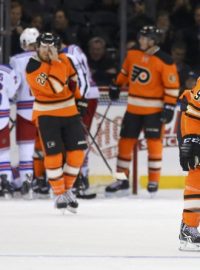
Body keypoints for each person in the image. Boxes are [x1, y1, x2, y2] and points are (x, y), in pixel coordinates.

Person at [105, 25, 180, 195]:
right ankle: (121, 180)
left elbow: (172, 87)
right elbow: (125, 73)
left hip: (154, 111)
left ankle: (153, 182)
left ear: (153, 40)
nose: (141, 40)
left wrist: (169, 106)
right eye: (141, 37)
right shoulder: (132, 54)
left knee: (154, 145)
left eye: (145, 38)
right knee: (124, 143)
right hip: (133, 109)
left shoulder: (165, 60)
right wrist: (116, 85)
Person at [25, 32, 87, 212]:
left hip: (69, 112)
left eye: (51, 47)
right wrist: (57, 63)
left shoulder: (64, 60)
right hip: (46, 114)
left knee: (77, 154)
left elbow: (73, 81)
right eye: (44, 46)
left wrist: (79, 99)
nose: (47, 50)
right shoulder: (33, 67)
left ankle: (66, 190)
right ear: (37, 47)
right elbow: (56, 87)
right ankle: (59, 192)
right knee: (54, 155)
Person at [10, 27, 39, 196]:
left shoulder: (16, 60)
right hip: (45, 109)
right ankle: (48, 183)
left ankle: (27, 185)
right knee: (51, 150)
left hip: (24, 110)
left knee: (26, 152)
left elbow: (14, 87)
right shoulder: (49, 59)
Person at [178, 77, 200, 251]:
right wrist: (192, 137)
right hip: (194, 124)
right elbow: (194, 111)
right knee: (198, 173)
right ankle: (188, 227)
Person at [0, 64, 20, 197]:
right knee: (3, 152)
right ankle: (5, 181)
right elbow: (13, 92)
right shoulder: (6, 70)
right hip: (2, 116)